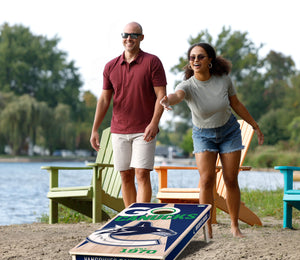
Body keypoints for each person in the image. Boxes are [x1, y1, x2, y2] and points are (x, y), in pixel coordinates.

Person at [160, 43, 264, 238]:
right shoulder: (187, 85)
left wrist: (254, 125)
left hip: (229, 132)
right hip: (203, 135)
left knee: (230, 179)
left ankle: (234, 226)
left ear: (209, 60)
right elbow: (177, 96)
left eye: (200, 57)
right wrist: (167, 100)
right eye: (192, 58)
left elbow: (236, 104)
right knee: (206, 179)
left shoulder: (223, 80)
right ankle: (206, 227)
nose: (196, 60)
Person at [90, 22, 167, 208]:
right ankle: (130, 220)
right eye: (125, 34)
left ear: (141, 37)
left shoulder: (152, 62)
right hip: (119, 130)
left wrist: (154, 123)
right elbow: (104, 100)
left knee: (141, 173)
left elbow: (161, 96)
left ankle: (142, 218)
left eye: (134, 35)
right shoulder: (111, 66)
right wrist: (94, 130)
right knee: (125, 175)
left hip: (144, 129)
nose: (129, 38)